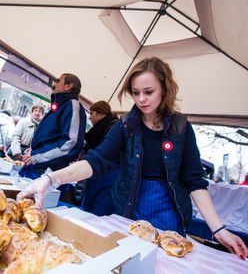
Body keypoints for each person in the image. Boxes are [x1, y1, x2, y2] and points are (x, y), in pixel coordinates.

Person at [17, 57, 248, 259]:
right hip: (129, 208)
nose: (141, 99)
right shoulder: (126, 125)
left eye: (149, 92)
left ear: (165, 90)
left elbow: (195, 181)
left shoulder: (181, 127)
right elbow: (95, 161)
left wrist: (218, 230)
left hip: (169, 214)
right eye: (135, 93)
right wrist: (50, 180)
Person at [19, 73, 86, 201]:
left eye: (58, 80)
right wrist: (33, 150)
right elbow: (49, 137)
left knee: (30, 212)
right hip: (36, 169)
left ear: (68, 86)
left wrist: (36, 157)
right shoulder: (58, 106)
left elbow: (69, 145)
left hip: (47, 172)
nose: (54, 84)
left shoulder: (73, 106)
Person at [73, 100, 120, 215]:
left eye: (92, 113)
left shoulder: (112, 128)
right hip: (98, 177)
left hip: (105, 180)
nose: (90, 118)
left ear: (101, 114)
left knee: (94, 214)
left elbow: (103, 154)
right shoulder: (103, 127)